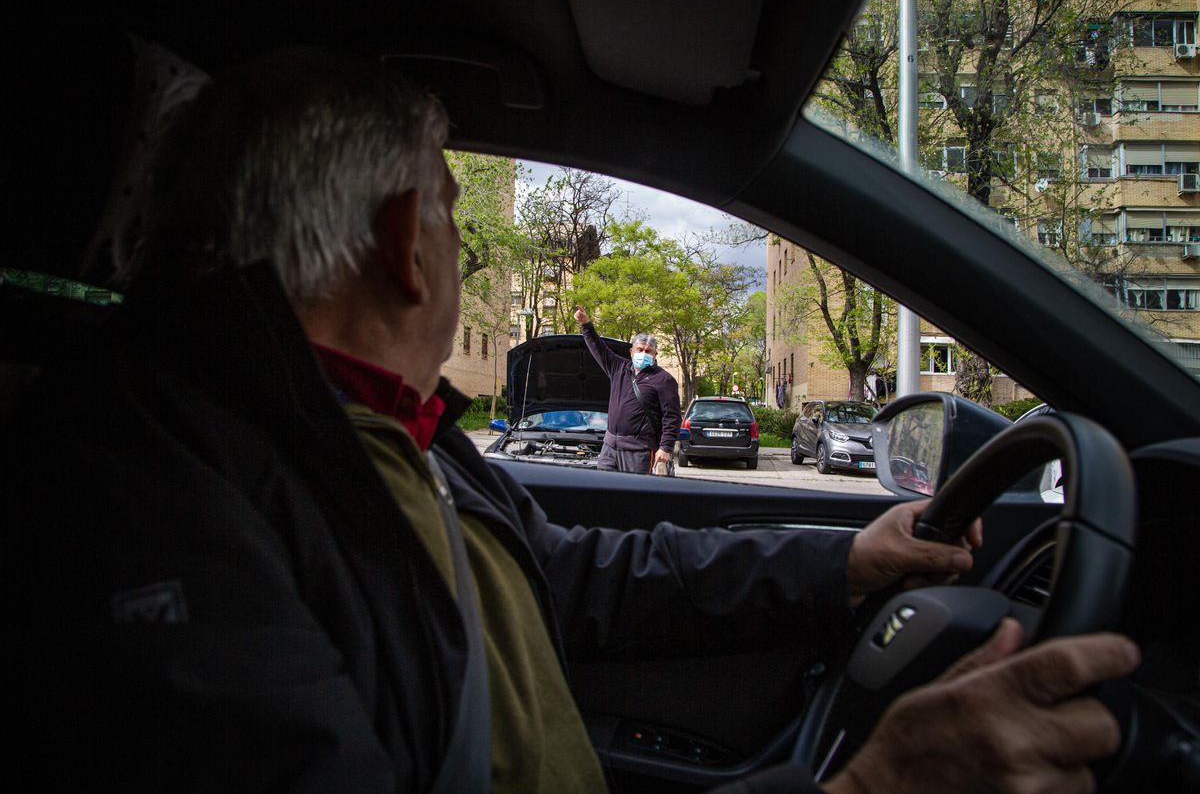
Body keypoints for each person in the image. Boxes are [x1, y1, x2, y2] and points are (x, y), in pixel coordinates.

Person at [5, 47, 1137, 793]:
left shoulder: (393, 436)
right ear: (408, 239)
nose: (455, 246)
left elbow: (585, 576)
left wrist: (846, 557)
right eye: (452, 210)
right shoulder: (146, 484)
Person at [574, 305, 681, 474]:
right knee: (603, 493)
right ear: (631, 352)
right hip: (609, 448)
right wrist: (586, 324)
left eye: (648, 351)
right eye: (640, 350)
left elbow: (672, 417)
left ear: (655, 355)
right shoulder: (619, 367)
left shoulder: (664, 380)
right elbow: (598, 348)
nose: (644, 353)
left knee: (634, 495)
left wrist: (666, 448)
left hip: (640, 452)